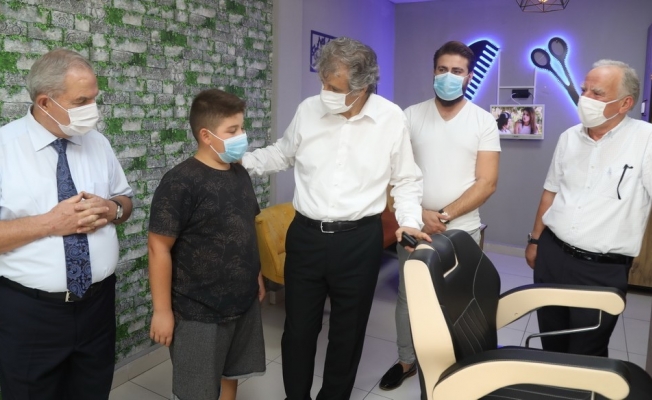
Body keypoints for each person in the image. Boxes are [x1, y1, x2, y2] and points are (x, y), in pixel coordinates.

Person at [242, 37, 428, 400]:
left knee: (348, 333)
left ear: (363, 87)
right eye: (324, 83)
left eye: (335, 88)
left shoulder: (391, 119)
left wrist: (409, 220)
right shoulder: (308, 110)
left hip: (359, 241)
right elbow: (283, 153)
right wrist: (243, 161)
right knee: (298, 331)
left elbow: (406, 179)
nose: (325, 93)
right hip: (306, 237)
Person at [0, 48, 133, 399]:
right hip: (30, 314)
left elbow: (125, 201)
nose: (94, 109)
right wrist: (49, 223)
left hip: (97, 306)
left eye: (94, 97)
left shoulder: (98, 143)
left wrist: (112, 209)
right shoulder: (4, 148)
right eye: (82, 101)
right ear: (45, 102)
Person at [379, 40, 501, 392]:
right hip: (414, 226)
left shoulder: (482, 121)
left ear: (469, 76)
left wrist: (443, 216)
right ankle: (406, 361)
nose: (448, 76)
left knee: (458, 298)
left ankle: (456, 364)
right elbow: (390, 176)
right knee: (409, 298)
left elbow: (487, 182)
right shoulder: (409, 116)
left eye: (457, 71)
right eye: (442, 69)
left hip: (462, 230)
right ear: (433, 72)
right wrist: (420, 214)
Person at [525, 59, 652, 357]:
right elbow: (550, 192)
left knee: (587, 351)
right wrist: (535, 241)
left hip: (601, 269)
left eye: (597, 93)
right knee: (551, 341)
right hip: (552, 255)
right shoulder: (569, 137)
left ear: (625, 103)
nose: (585, 99)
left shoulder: (645, 139)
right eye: (584, 90)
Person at [148, 89, 266, 400]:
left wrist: (255, 275)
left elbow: (244, 228)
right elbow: (158, 247)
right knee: (198, 390)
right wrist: (162, 311)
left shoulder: (240, 174)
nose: (242, 136)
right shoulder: (180, 182)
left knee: (232, 373)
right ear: (206, 135)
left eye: (242, 127)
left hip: (242, 300)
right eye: (232, 130)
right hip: (197, 309)